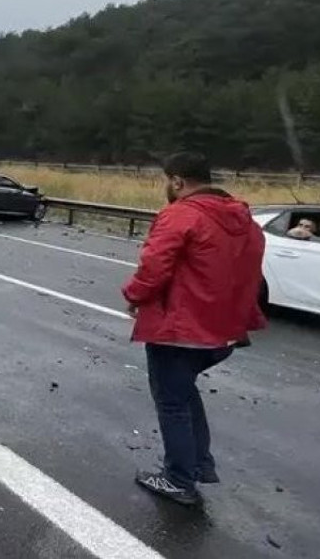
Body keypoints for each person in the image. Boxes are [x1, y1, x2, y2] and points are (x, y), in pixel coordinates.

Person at [122, 152, 266, 506]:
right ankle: (198, 464)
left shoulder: (181, 214)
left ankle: (179, 479)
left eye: (166, 182)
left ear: (177, 181)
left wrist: (133, 295)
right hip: (224, 332)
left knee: (172, 402)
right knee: (185, 394)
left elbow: (154, 266)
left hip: (180, 330)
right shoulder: (244, 219)